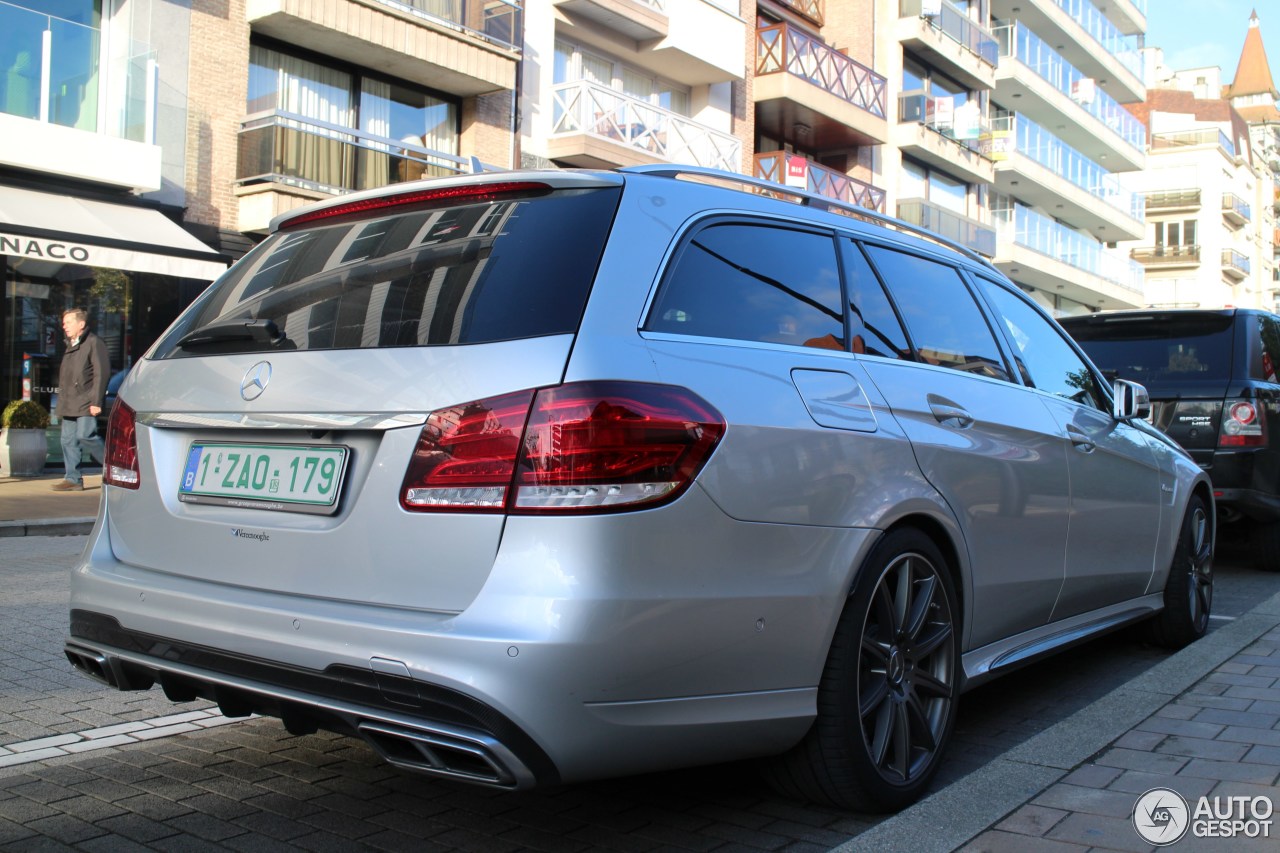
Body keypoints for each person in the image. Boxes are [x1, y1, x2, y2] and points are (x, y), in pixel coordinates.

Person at [52, 308, 109, 491]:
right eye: (64, 323)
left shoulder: (93, 342)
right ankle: (73, 479)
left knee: (86, 436)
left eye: (68, 322)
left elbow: (102, 373)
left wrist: (96, 402)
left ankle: (115, 470)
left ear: (81, 324)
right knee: (67, 440)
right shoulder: (70, 344)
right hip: (69, 401)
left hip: (87, 401)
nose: (64, 326)